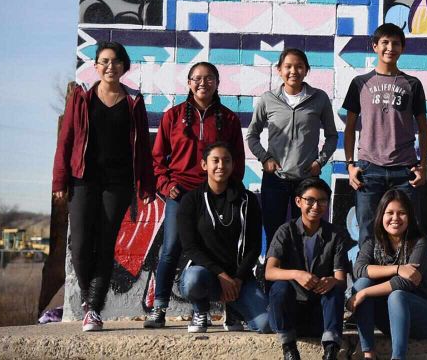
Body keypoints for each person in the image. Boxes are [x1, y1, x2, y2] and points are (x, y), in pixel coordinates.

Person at [52, 41, 155, 332]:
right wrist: (60, 179)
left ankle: (93, 309)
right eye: (105, 61)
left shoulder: (134, 101)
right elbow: (66, 141)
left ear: (124, 66)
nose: (111, 66)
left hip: (118, 183)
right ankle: (87, 299)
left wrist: (145, 185)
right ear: (96, 66)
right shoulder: (82, 98)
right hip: (83, 179)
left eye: (116, 61)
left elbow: (143, 150)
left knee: (106, 243)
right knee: (81, 244)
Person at [145, 62, 245, 328]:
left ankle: (228, 310)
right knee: (170, 249)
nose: (203, 83)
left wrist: (229, 191)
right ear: (188, 83)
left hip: (215, 194)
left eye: (209, 78)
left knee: (222, 250)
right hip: (182, 193)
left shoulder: (229, 118)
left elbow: (237, 160)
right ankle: (159, 309)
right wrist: (166, 185)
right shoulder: (172, 116)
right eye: (197, 78)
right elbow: (156, 159)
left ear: (217, 83)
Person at [342, 23, 427, 247]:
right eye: (385, 43)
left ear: (403, 48)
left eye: (396, 43)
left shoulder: (413, 84)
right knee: (367, 231)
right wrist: (350, 164)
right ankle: (366, 279)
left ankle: (406, 280)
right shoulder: (360, 83)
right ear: (375, 46)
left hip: (405, 169)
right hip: (369, 169)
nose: (390, 48)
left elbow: (423, 128)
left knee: (410, 231)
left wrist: (423, 166)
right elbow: (350, 127)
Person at [247, 48, 337, 247]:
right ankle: (273, 277)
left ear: (306, 70)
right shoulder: (268, 99)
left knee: (305, 234)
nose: (293, 71)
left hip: (307, 180)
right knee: (274, 234)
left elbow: (332, 136)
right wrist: (265, 159)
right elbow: (252, 135)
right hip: (274, 180)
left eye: (299, 66)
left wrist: (319, 161)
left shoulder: (319, 98)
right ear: (279, 70)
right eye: (288, 66)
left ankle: (301, 276)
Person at [177, 141, 268, 334]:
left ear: (233, 165)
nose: (221, 166)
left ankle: (233, 307)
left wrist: (237, 279)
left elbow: (254, 246)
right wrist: (221, 275)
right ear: (204, 165)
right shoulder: (191, 200)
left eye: (226, 161)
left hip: (238, 279)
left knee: (265, 325)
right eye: (215, 161)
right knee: (193, 280)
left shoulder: (247, 200)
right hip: (206, 274)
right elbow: (190, 247)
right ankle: (200, 310)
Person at [349, 189, 427, 360]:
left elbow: (405, 283)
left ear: (410, 216)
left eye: (401, 213)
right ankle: (368, 353)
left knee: (397, 296)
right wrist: (398, 268)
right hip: (389, 321)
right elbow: (359, 269)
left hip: (424, 320)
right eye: (389, 213)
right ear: (381, 216)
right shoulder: (372, 243)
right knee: (362, 283)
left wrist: (364, 293)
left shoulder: (419, 243)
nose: (395, 218)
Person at [265, 177, 348, 360]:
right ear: (298, 201)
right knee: (280, 287)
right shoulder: (286, 231)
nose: (316, 206)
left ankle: (331, 350)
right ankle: (288, 347)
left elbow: (341, 279)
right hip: (289, 314)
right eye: (310, 200)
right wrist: (296, 274)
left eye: (322, 201)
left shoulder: (336, 235)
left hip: (319, 316)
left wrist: (332, 280)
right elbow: (269, 272)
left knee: (335, 289)